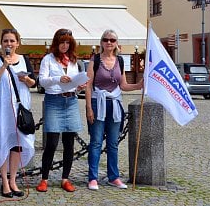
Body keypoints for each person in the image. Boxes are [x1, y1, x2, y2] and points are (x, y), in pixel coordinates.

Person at [85, 29, 143, 191]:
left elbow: (122, 85)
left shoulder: (120, 61)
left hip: (115, 104)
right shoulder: (95, 60)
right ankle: (93, 178)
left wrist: (138, 86)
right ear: (101, 42)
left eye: (112, 40)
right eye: (106, 39)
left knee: (113, 143)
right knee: (96, 142)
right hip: (98, 103)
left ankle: (113, 177)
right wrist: (89, 108)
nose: (109, 42)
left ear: (116, 43)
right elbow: (88, 86)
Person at [0, 29, 36, 198]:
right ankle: (4, 182)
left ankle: (13, 180)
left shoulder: (24, 60)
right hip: (2, 108)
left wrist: (27, 80)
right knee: (3, 142)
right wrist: (4, 65)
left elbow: (33, 83)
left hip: (20, 107)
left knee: (18, 143)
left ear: (17, 43)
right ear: (2, 43)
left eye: (12, 41)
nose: (9, 44)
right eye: (6, 41)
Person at [36, 28, 86, 193]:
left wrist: (79, 87)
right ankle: (44, 178)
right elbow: (42, 81)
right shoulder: (48, 59)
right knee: (51, 142)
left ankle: (65, 178)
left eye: (67, 42)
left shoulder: (73, 61)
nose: (64, 45)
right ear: (56, 43)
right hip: (54, 101)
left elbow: (74, 82)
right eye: (61, 42)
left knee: (69, 143)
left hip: (70, 101)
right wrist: (58, 79)